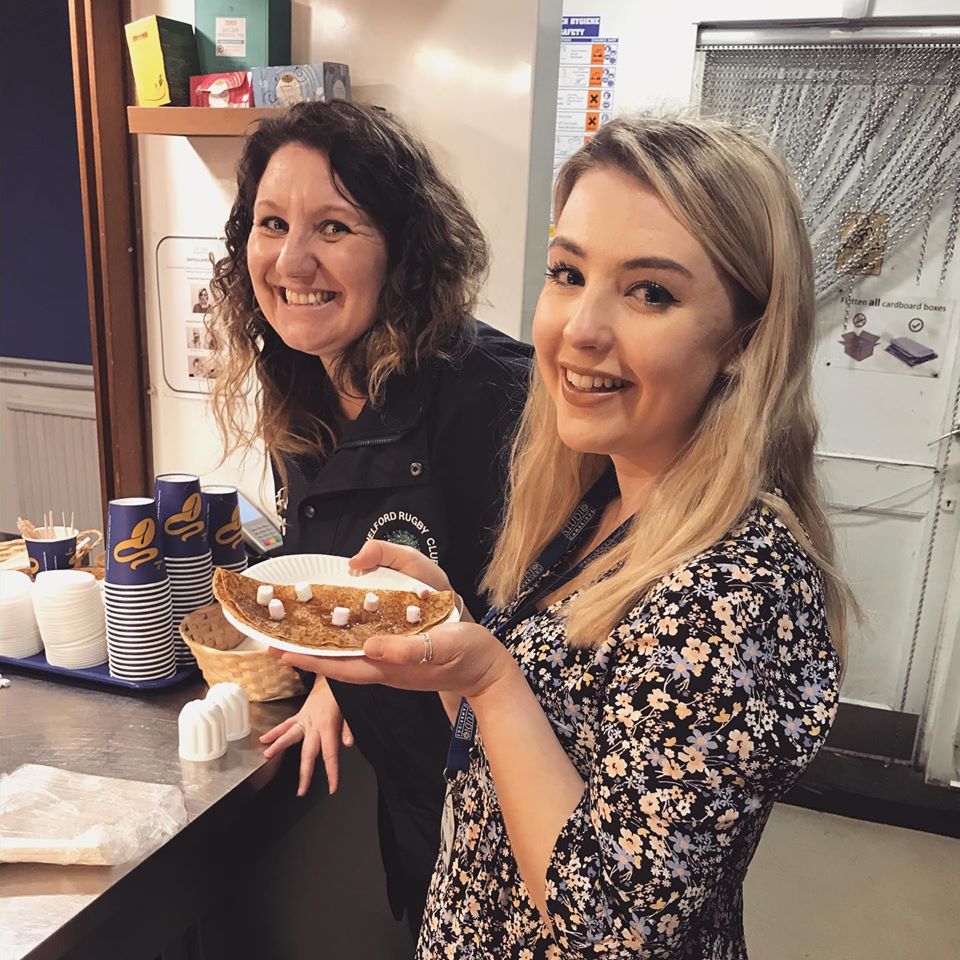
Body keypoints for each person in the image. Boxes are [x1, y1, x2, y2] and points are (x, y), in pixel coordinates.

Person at [277, 114, 853, 959]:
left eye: (650, 291)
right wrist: (446, 643)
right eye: (567, 272)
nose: (580, 328)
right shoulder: (599, 506)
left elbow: (607, 928)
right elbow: (529, 759)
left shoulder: (740, 590)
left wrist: (491, 675)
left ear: (743, 338)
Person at [207, 100, 531, 937]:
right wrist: (328, 679)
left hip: (521, 823)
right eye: (271, 222)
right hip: (420, 808)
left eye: (335, 227)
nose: (291, 258)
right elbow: (340, 573)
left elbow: (540, 639)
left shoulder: (493, 395)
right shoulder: (306, 388)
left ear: (404, 250)